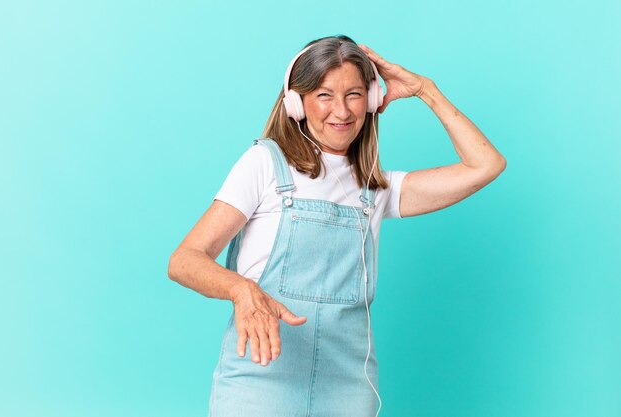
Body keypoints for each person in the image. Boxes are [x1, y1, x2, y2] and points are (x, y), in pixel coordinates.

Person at [167, 35, 506, 417]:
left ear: (374, 99)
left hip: (348, 389)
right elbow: (184, 260)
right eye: (325, 95)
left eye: (355, 94)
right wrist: (241, 290)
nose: (342, 111)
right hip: (261, 382)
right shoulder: (264, 164)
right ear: (297, 103)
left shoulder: (376, 191)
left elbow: (486, 165)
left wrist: (425, 90)